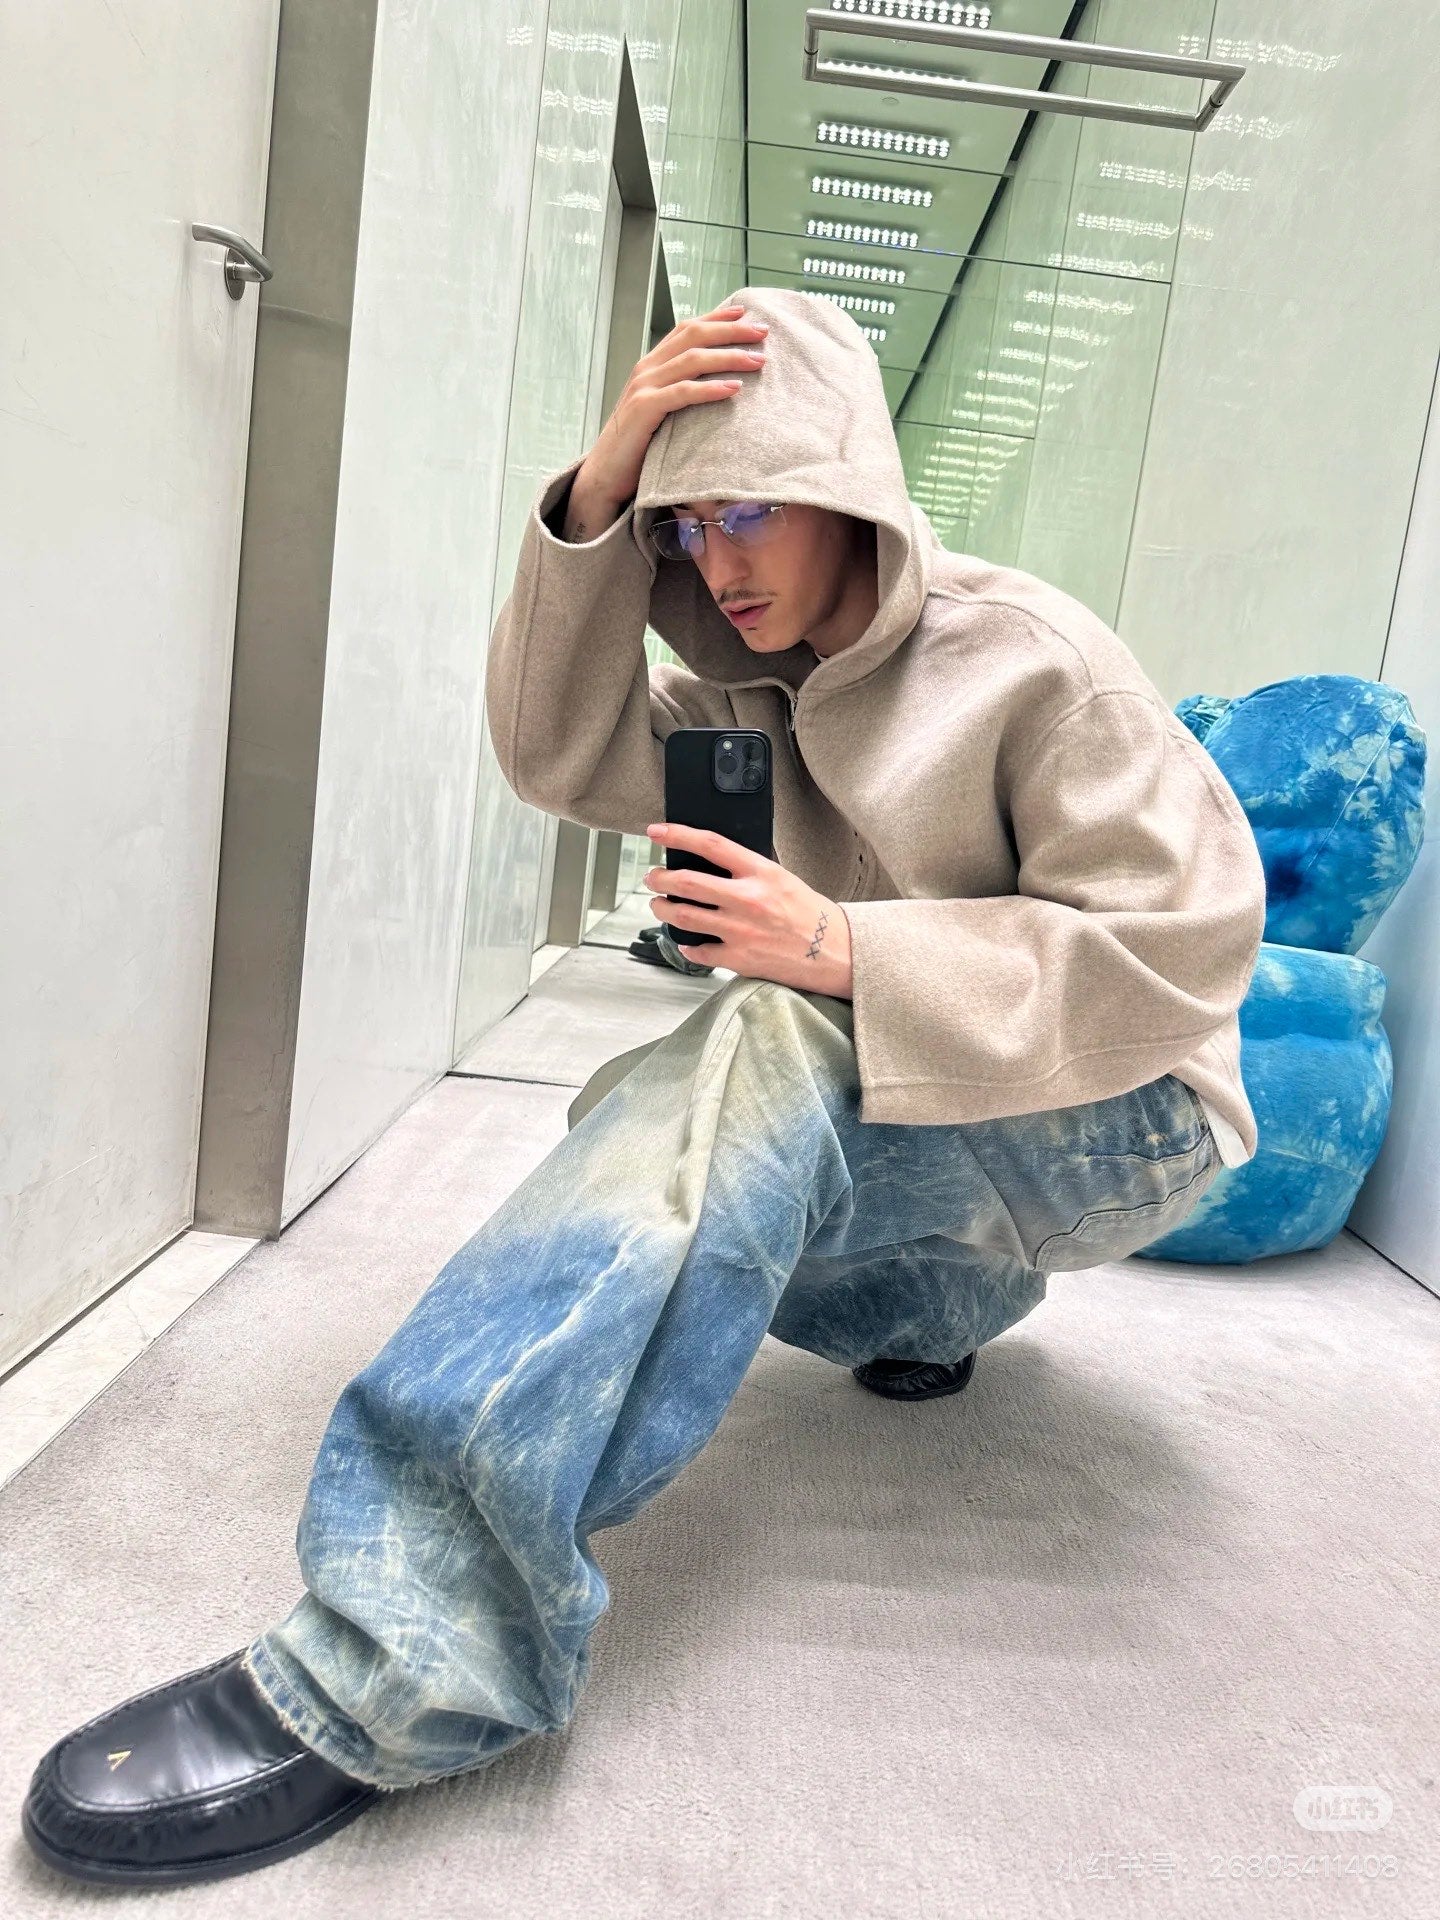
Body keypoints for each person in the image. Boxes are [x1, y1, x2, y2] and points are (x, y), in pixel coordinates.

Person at [22, 288, 1267, 1888]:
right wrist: (595, 503)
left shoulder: (1032, 661)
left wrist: (844, 946)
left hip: (1134, 1118)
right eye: (685, 527)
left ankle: (403, 1653)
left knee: (753, 1059)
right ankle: (932, 1308)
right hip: (953, 1127)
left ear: (846, 491)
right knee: (630, 1113)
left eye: (747, 508)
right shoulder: (743, 686)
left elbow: (1185, 951)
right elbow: (556, 752)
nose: (717, 561)